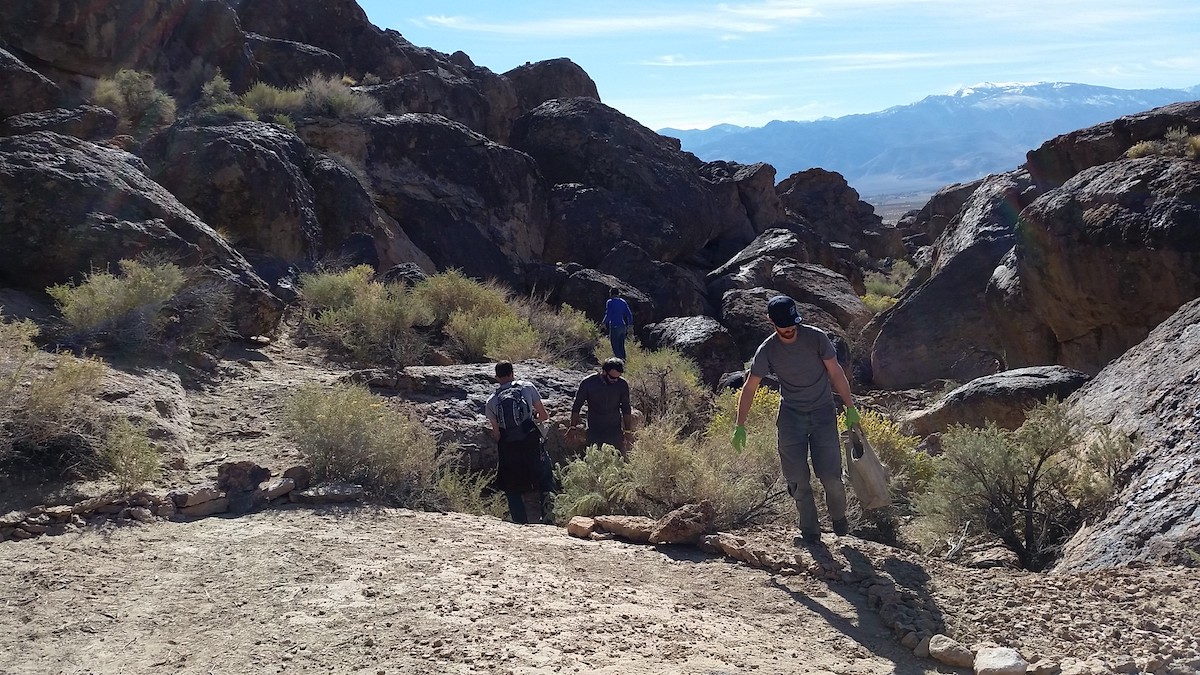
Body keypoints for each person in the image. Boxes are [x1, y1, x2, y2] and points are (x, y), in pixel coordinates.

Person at [730, 295, 861, 545]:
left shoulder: (816, 338)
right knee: (798, 479)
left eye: (792, 324)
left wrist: (850, 407)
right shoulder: (767, 350)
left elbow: (835, 372)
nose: (789, 329)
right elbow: (750, 387)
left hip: (823, 413)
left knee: (831, 477)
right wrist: (740, 425)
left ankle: (839, 521)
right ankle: (811, 532)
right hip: (791, 417)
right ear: (771, 321)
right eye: (783, 325)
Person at [485, 361, 550, 524]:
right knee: (544, 477)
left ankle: (519, 522)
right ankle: (549, 518)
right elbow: (543, 416)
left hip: (509, 446)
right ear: (513, 373)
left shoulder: (491, 400)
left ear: (497, 377)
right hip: (530, 441)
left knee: (510, 485)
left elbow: (497, 433)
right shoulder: (527, 387)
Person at [570, 357, 632, 451]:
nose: (615, 380)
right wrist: (573, 426)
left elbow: (626, 408)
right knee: (595, 459)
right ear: (604, 372)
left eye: (617, 377)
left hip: (614, 431)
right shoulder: (588, 383)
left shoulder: (622, 384)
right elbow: (577, 405)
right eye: (612, 377)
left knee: (616, 459)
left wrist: (628, 431)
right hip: (594, 430)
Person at [602, 287, 634, 360]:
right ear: (618, 294)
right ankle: (624, 362)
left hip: (614, 326)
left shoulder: (610, 302)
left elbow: (608, 314)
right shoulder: (623, 302)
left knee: (615, 346)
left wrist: (603, 323)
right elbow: (629, 315)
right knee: (621, 346)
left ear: (610, 293)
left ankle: (619, 363)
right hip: (623, 326)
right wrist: (630, 325)